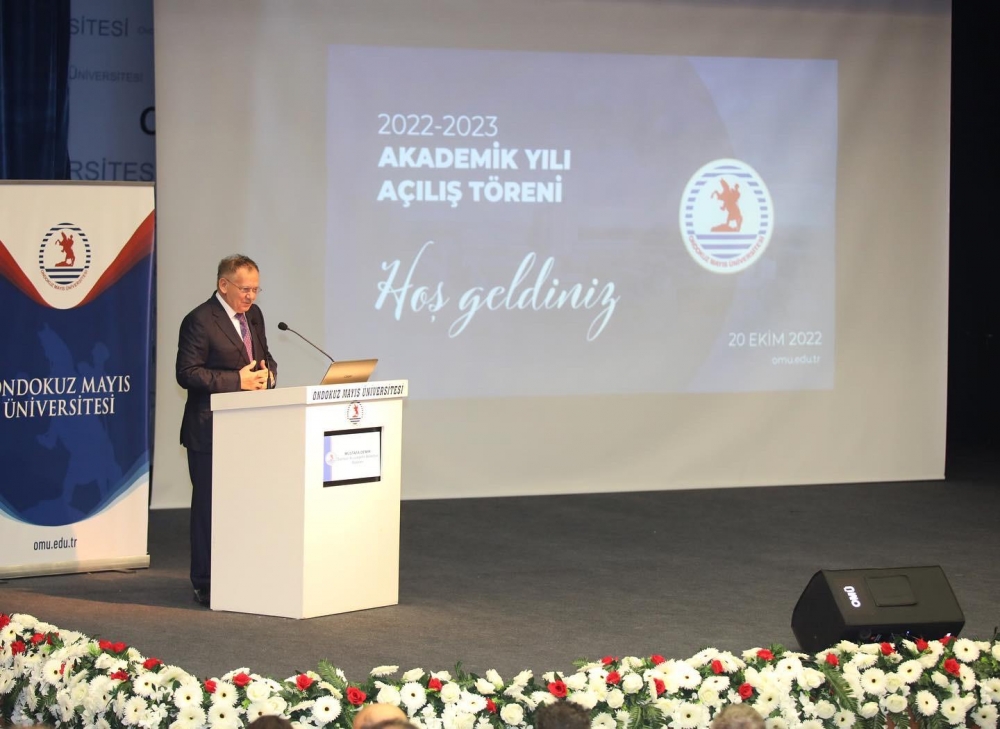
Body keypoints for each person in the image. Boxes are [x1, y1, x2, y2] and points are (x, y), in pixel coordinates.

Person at [176, 254, 276, 606]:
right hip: (210, 431)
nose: (251, 296)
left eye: (256, 289)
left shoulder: (254, 316)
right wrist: (238, 381)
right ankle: (205, 581)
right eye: (245, 289)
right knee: (209, 508)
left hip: (248, 430)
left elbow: (264, 357)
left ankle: (243, 572)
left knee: (245, 505)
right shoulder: (200, 320)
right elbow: (187, 373)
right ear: (223, 285)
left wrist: (268, 376)